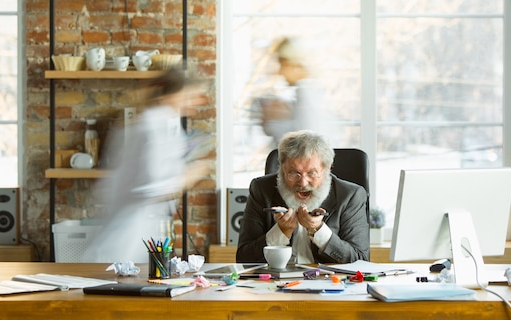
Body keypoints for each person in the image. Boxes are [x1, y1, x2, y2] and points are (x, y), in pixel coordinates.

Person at [82, 67, 209, 263]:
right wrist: (187, 177)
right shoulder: (153, 125)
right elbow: (147, 187)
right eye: (191, 95)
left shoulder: (157, 122)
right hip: (126, 234)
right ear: (174, 94)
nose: (195, 102)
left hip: (131, 228)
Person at [236, 130, 370, 264]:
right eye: (294, 173)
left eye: (312, 173)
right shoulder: (261, 189)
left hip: (326, 281)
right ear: (282, 168)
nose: (303, 183)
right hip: (275, 281)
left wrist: (318, 230)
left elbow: (360, 262)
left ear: (327, 169)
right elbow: (244, 258)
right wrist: (281, 231)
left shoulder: (350, 195)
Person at [257, 37, 335, 145]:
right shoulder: (304, 93)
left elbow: (306, 143)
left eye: (282, 65)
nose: (279, 72)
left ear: (293, 65)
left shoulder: (308, 95)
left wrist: (275, 123)